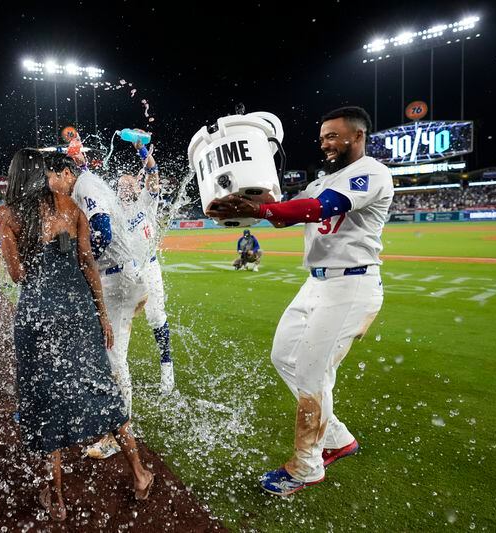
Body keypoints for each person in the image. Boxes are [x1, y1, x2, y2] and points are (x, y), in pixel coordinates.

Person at [207, 106, 393, 497]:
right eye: (323, 136)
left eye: (333, 136)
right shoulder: (325, 180)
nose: (325, 142)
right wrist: (239, 201)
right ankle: (338, 438)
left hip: (352, 284)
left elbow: (319, 209)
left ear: (357, 137)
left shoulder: (372, 172)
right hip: (317, 283)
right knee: (284, 357)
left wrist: (260, 208)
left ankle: (306, 467)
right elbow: (284, 212)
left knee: (312, 374)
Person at [0, 149, 153, 521]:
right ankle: (140, 473)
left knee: (45, 399)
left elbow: (17, 275)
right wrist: (103, 317)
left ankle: (58, 499)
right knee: (100, 386)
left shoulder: (5, 214)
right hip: (78, 311)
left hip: (37, 315)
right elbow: (88, 265)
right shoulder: (70, 206)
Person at [44, 151, 147, 460]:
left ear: (64, 173)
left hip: (117, 280)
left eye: (50, 177)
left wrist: (78, 265)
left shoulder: (85, 186)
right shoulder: (86, 184)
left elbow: (102, 231)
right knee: (95, 346)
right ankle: (101, 412)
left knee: (113, 355)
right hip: (119, 275)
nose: (49, 184)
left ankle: (118, 432)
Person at [117, 140, 175, 394]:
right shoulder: (113, 212)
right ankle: (119, 370)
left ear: (137, 187)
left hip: (149, 266)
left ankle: (167, 369)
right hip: (126, 273)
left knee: (155, 316)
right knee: (121, 321)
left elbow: (153, 172)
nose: (124, 188)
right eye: (120, 185)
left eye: (128, 184)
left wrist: (142, 150)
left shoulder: (146, 202)